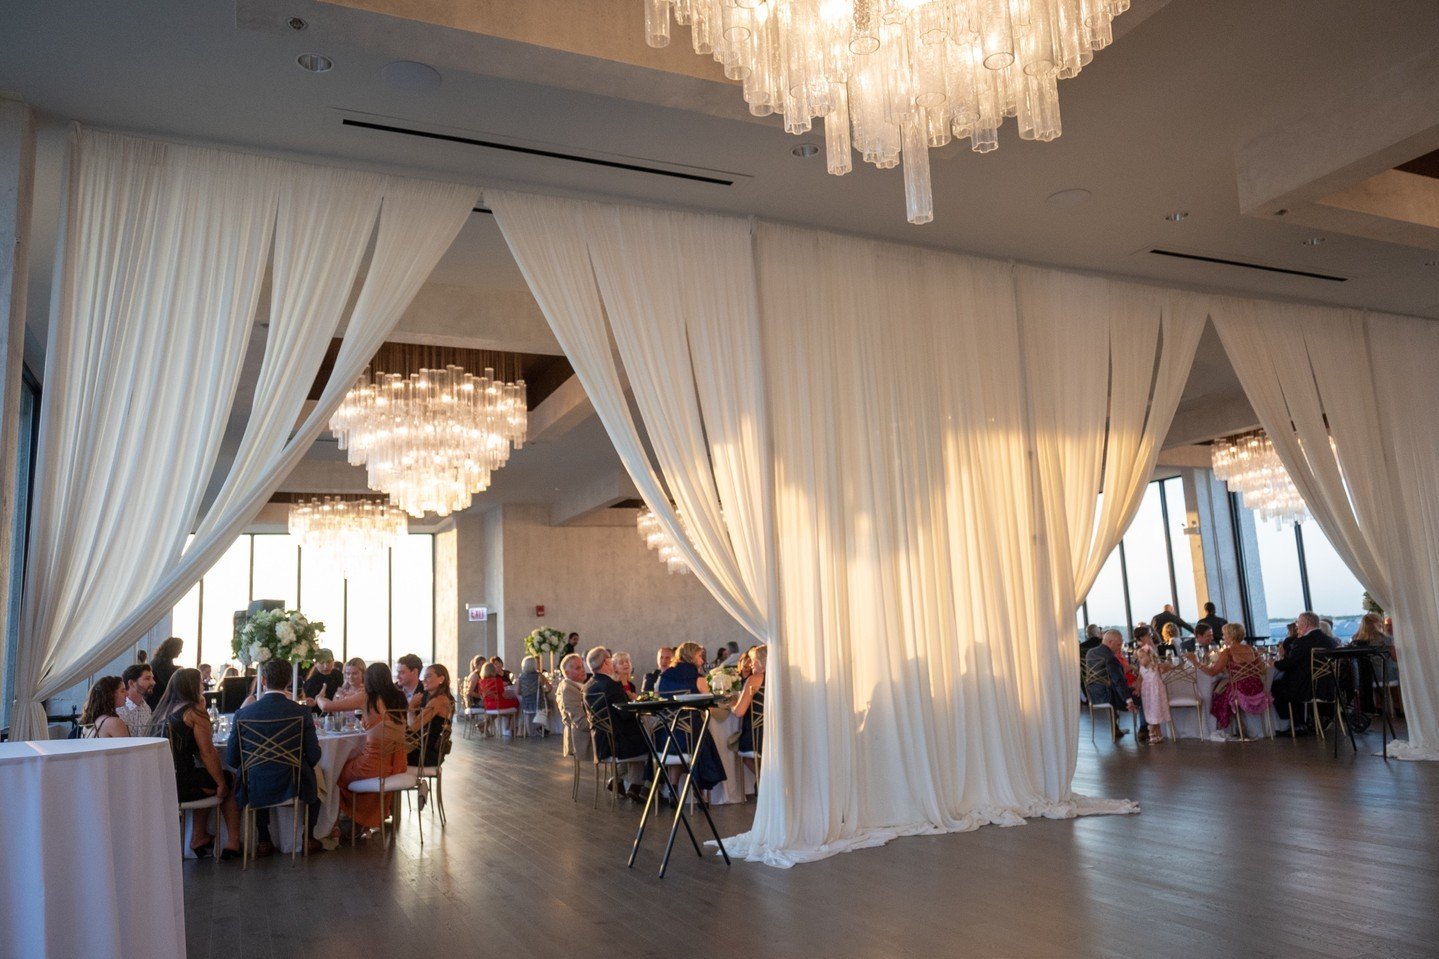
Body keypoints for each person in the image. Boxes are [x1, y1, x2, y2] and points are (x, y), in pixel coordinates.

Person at [226, 659, 323, 857]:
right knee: (318, 776)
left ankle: (263, 839)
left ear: (263, 680)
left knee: (255, 771)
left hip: (255, 784)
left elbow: (232, 759)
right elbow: (314, 756)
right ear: (289, 681)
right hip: (292, 783)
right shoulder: (301, 712)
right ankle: (308, 836)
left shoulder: (242, 714)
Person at [153, 668, 242, 859]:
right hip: (182, 783)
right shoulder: (193, 712)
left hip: (160, 782)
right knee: (229, 779)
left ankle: (199, 836)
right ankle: (233, 842)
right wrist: (221, 783)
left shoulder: (161, 712)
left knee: (205, 777)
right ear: (192, 686)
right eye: (200, 682)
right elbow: (207, 752)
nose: (203, 685)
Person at [336, 663, 409, 835]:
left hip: (373, 766)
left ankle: (341, 824)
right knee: (354, 765)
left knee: (337, 771)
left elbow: (327, 707)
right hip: (397, 763)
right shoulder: (399, 697)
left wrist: (318, 698)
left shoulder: (367, 698)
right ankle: (366, 821)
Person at [656, 641, 727, 794]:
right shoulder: (698, 679)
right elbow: (710, 705)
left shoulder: (663, 677)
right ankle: (700, 792)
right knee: (702, 739)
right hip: (690, 738)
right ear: (691, 657)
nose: (702, 660)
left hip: (665, 737)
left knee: (678, 738)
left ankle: (673, 789)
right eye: (700, 656)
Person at [582, 647, 649, 801]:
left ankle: (631, 785)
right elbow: (625, 714)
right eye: (611, 660)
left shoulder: (588, 685)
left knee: (639, 738)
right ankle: (644, 787)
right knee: (651, 741)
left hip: (601, 739)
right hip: (618, 741)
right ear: (606, 661)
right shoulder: (611, 686)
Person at [1187, 623, 1272, 735]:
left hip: (1240, 689)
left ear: (1231, 636)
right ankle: (1244, 726)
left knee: (1218, 695)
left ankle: (1229, 728)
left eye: (1224, 635)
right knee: (1224, 688)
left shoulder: (1227, 652)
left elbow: (1212, 672)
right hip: (1257, 687)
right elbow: (1262, 670)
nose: (1223, 637)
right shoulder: (1251, 649)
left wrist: (1195, 662)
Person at [1271, 611, 1338, 733]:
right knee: (1288, 683)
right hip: (1328, 686)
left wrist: (1274, 663)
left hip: (1306, 688)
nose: (1297, 626)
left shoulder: (1302, 642)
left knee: (1275, 687)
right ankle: (1306, 720)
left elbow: (1288, 664)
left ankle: (1296, 723)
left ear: (1306, 624)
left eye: (1298, 623)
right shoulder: (1331, 641)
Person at [408, 664, 455, 809]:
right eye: (424, 676)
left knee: (389, 760)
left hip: (427, 756)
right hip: (431, 752)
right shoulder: (440, 699)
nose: (424, 680)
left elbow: (413, 728)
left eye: (428, 676)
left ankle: (385, 811)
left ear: (441, 679)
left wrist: (410, 708)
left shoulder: (438, 701)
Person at [1085, 630, 1143, 742]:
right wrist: (1129, 700)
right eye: (1118, 644)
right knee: (1144, 695)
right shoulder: (1111, 658)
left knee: (1117, 688)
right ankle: (1144, 730)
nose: (1120, 647)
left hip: (1094, 696)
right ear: (1110, 642)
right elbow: (1119, 682)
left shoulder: (1090, 653)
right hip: (1110, 697)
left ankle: (1115, 728)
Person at [733, 644, 766, 788]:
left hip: (757, 737)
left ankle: (764, 782)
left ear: (760, 662)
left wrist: (730, 704)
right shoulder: (782, 679)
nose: (750, 664)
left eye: (752, 660)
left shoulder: (755, 679)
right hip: (781, 733)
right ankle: (766, 782)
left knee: (745, 756)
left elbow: (739, 711)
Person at [1135, 645, 1172, 744]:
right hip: (1147, 694)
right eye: (1138, 658)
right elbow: (1140, 679)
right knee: (1150, 711)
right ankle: (1156, 732)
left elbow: (1169, 666)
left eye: (1141, 657)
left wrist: (1165, 667)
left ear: (1149, 656)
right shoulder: (1142, 668)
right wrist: (1137, 689)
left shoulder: (1156, 666)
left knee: (1156, 711)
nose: (1139, 660)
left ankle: (1152, 731)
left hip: (1156, 693)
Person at [556, 653, 589, 757]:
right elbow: (579, 721)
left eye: (583, 667)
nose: (583, 670)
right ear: (567, 672)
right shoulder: (568, 688)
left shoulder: (579, 685)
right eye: (578, 668)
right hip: (581, 738)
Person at [517, 656, 552, 735]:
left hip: (526, 704)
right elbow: (550, 688)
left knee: (522, 709)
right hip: (538, 703)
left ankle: (528, 730)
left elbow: (518, 692)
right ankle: (542, 727)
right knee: (549, 702)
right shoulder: (539, 676)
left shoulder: (521, 677)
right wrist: (543, 692)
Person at [147, 636, 185, 707]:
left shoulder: (163, 660)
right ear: (173, 649)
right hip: (157, 701)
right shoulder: (161, 662)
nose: (181, 651)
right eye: (180, 649)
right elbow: (170, 682)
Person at [119, 663, 155, 734]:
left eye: (152, 678)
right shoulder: (119, 709)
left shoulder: (146, 708)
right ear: (131, 683)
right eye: (147, 679)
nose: (153, 682)